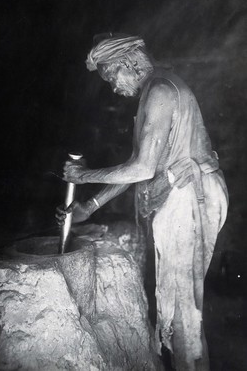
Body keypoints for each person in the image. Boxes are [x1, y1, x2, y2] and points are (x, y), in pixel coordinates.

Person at [56, 33, 228, 371]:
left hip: (192, 198)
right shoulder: (153, 92)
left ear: (127, 63)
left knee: (182, 317)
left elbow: (142, 168)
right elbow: (137, 165)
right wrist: (88, 207)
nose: (113, 88)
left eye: (110, 76)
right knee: (178, 312)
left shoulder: (161, 91)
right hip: (184, 198)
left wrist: (84, 176)